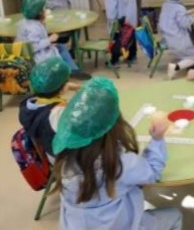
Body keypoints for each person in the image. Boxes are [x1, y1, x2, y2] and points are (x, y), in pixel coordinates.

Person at [51, 77, 182, 230]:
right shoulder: (119, 163)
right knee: (175, 214)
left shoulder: (64, 161)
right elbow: (152, 173)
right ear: (114, 126)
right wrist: (157, 139)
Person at [16, 0, 91, 80]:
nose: (45, 10)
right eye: (43, 9)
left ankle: (73, 70)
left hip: (31, 53)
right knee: (59, 49)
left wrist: (42, 24)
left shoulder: (24, 22)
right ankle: (71, 70)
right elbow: (33, 46)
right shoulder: (33, 27)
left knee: (60, 46)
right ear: (39, 12)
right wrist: (50, 39)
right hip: (37, 57)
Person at [18, 57, 80, 161]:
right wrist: (81, 89)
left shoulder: (28, 103)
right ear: (64, 87)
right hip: (63, 160)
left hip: (47, 152)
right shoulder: (60, 113)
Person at [158, 0, 194, 80]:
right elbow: (184, 24)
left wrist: (186, 13)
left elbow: (172, 17)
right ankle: (176, 67)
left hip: (167, 38)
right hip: (178, 41)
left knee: (193, 50)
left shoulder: (165, 5)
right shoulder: (179, 8)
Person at [104, 0, 138, 67]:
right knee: (130, 37)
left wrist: (112, 23)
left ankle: (114, 60)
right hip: (130, 20)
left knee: (116, 40)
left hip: (118, 21)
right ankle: (132, 56)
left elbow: (111, 12)